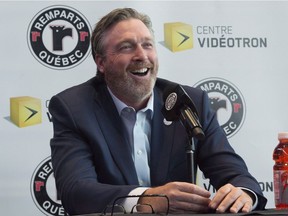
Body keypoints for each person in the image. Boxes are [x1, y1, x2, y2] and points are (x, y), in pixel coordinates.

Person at [49, 7, 267, 215]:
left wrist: (243, 194)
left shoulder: (191, 102)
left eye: (148, 45)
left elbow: (236, 175)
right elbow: (76, 192)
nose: (141, 55)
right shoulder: (74, 108)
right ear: (101, 63)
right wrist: (146, 198)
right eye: (126, 47)